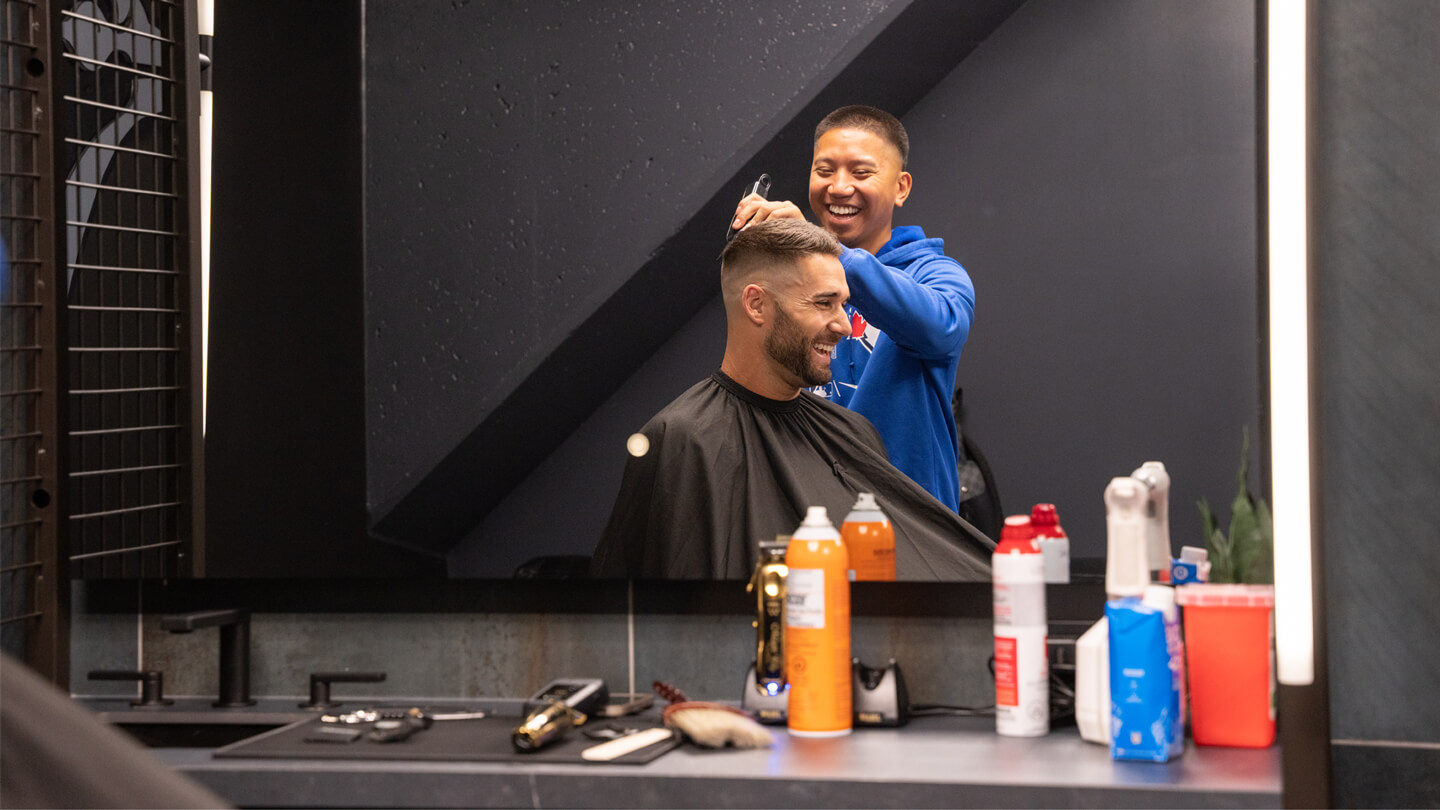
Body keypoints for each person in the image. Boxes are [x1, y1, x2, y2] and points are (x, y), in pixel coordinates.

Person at [590, 219, 992, 580]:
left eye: (843, 304)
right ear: (756, 304)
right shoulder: (683, 440)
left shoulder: (853, 433)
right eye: (823, 303)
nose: (843, 326)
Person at [730, 106, 975, 512]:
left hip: (907, 524)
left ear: (901, 187)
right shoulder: (786, 281)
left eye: (861, 173)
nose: (839, 188)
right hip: (807, 512)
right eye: (824, 171)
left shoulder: (934, 273)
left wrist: (822, 251)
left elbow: (941, 327)